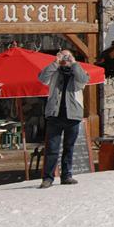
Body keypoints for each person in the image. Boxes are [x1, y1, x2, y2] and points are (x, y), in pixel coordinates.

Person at [38, 49, 89, 188]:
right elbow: (42, 78)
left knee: (69, 147)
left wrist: (74, 63)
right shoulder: (54, 72)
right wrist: (55, 62)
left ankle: (67, 176)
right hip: (55, 115)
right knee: (52, 148)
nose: (65, 59)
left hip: (73, 115)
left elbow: (84, 80)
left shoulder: (78, 72)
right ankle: (48, 178)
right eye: (63, 56)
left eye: (67, 56)